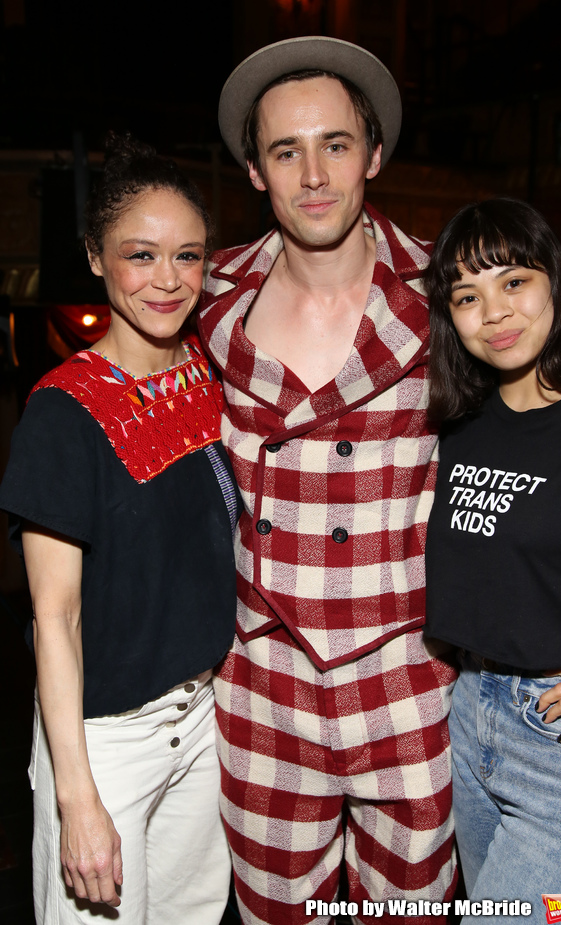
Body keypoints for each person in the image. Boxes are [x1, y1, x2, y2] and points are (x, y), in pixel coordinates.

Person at [199, 36, 457, 924]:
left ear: (373, 154)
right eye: (285, 150)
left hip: (411, 681)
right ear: (254, 171)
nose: (314, 174)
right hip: (262, 680)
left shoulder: (450, 297)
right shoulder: (204, 304)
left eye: (335, 145)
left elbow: (552, 452)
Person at [0, 134, 238, 925]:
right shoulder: (61, 411)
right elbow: (54, 618)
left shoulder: (206, 377)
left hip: (203, 725)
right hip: (106, 742)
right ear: (98, 259)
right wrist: (77, 796)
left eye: (189, 257)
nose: (168, 280)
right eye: (141, 254)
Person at [424, 197, 561, 922]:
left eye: (513, 281)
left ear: (554, 280)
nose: (493, 311)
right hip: (470, 724)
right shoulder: (462, 421)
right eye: (467, 296)